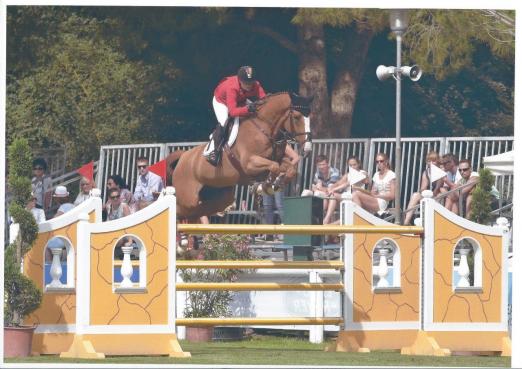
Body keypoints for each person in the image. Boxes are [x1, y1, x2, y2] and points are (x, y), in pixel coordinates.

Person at [204, 65, 267, 166]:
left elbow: (265, 100)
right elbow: (232, 112)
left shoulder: (256, 84)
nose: (249, 86)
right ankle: (213, 151)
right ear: (239, 80)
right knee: (224, 122)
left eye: (251, 83)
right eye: (246, 83)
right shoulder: (232, 87)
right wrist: (247, 109)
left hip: (240, 99)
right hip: (222, 101)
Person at [262, 145, 299, 240]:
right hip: (268, 178)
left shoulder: (284, 144)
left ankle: (288, 232)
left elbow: (296, 157)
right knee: (267, 205)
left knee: (280, 204)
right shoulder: (267, 143)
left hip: (278, 179)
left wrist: (286, 170)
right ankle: (269, 233)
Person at [403, 151, 445, 225]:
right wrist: (423, 192)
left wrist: (430, 196)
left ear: (437, 161)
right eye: (429, 161)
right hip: (429, 194)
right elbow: (423, 188)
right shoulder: (426, 172)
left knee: (439, 194)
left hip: (438, 194)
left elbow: (437, 188)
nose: (431, 163)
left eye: (433, 161)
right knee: (415, 195)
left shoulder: (441, 171)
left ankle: (433, 221)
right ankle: (406, 221)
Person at [310, 155, 341, 224]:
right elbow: (316, 187)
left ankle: (323, 219)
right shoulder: (318, 173)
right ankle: (309, 218)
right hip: (326, 196)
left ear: (328, 164)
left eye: (323, 164)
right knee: (307, 193)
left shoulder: (334, 172)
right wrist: (317, 188)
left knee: (324, 195)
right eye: (319, 165)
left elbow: (331, 190)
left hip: (337, 196)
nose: (321, 167)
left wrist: (319, 188)